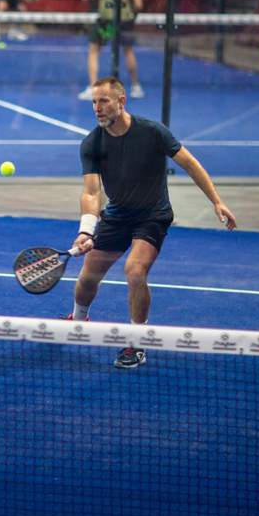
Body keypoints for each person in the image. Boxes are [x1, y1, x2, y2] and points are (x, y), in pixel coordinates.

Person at [67, 77, 236, 369]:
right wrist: (85, 230)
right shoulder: (92, 143)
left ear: (121, 102)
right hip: (117, 215)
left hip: (152, 215)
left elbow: (190, 163)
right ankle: (78, 321)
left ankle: (137, 342)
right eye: (94, 102)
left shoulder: (152, 132)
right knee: (88, 277)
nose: (97, 108)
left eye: (103, 101)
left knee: (134, 270)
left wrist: (216, 201)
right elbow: (92, 192)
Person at [78, 0, 144, 100]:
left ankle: (93, 88)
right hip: (124, 21)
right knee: (128, 51)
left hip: (107, 22)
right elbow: (139, 4)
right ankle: (136, 87)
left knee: (94, 51)